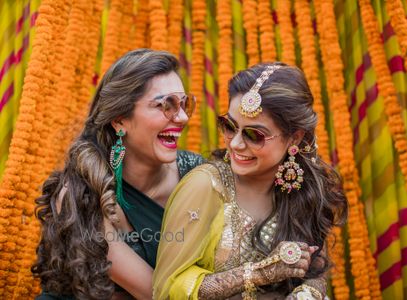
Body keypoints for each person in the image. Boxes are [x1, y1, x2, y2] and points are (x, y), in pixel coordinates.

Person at [153, 63, 348, 299]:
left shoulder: (302, 189)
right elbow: (170, 286)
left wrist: (307, 293)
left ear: (295, 137)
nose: (235, 144)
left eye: (254, 135)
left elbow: (316, 269)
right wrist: (259, 274)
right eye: (229, 126)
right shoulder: (206, 186)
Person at [32, 49, 204, 299]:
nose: (183, 117)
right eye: (165, 105)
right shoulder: (81, 191)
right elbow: (156, 293)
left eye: (185, 103)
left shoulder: (195, 174)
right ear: (120, 119)